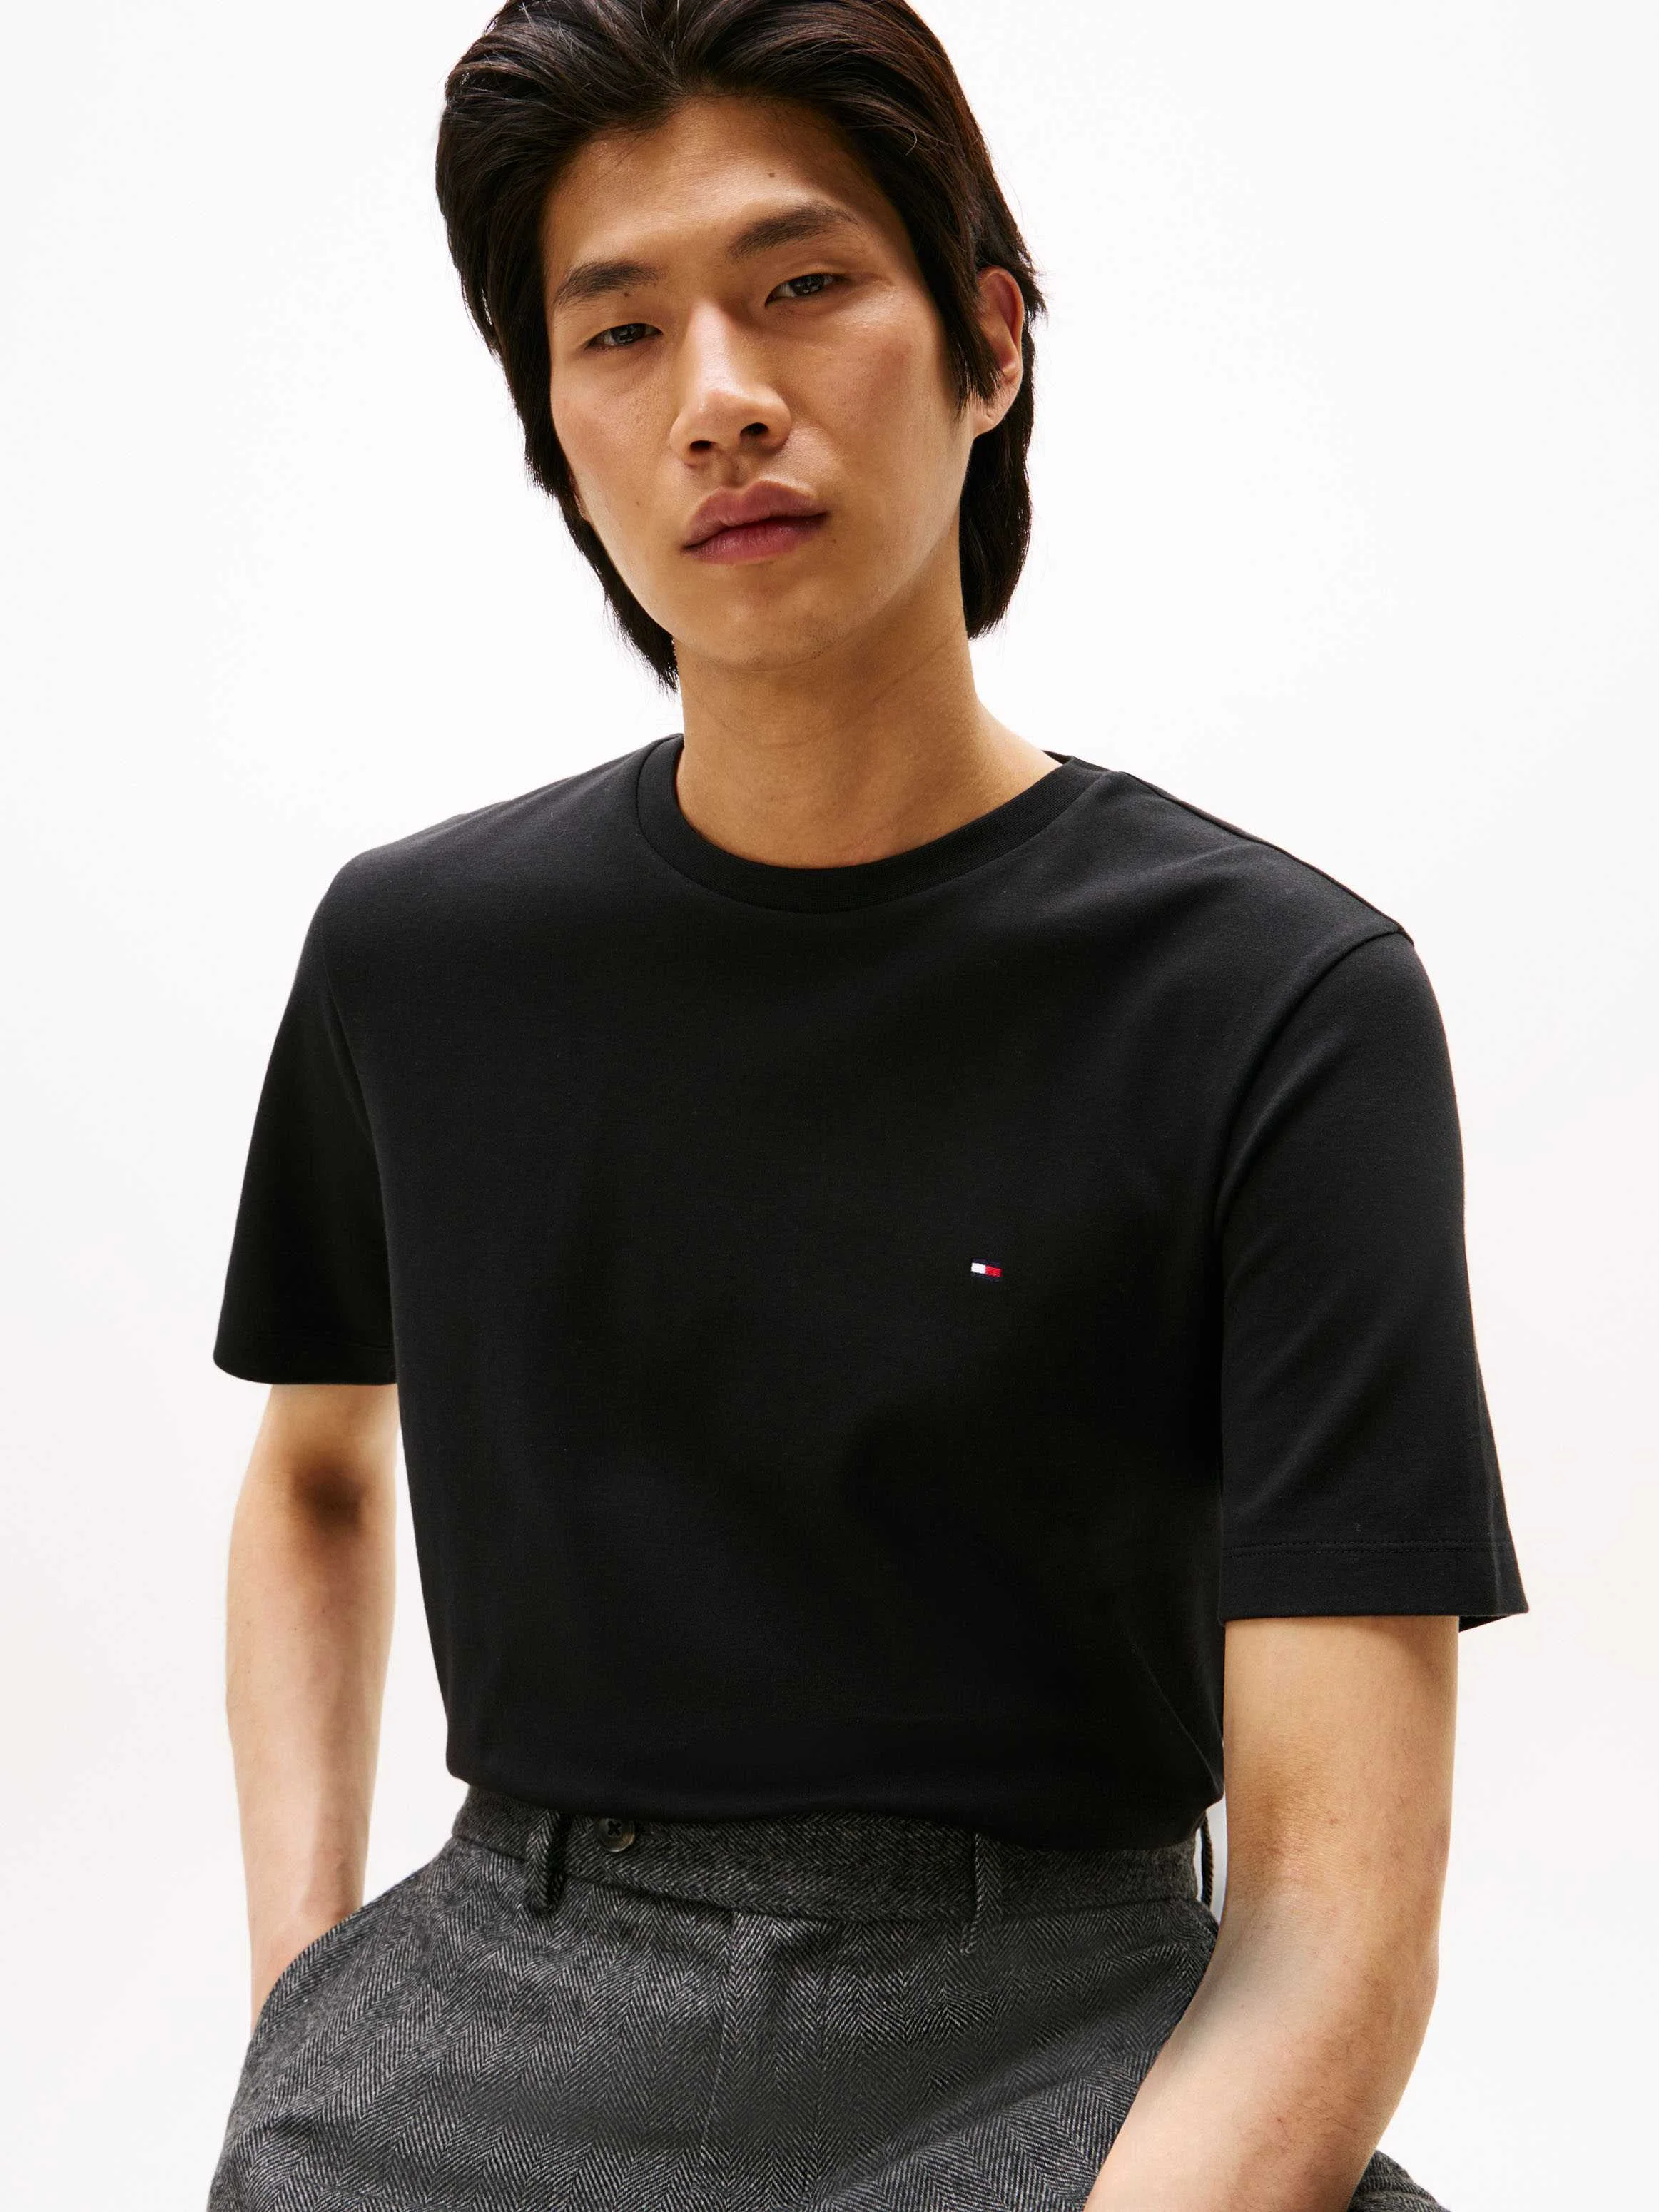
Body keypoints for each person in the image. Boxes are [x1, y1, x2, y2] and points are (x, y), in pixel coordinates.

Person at [205, 4, 1526, 2207]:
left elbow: (1329, 1920)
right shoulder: (416, 957)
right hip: (492, 2019)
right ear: (555, 429)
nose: (719, 394)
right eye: (619, 330)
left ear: (988, 341)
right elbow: (316, 1480)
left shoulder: (1276, 1002)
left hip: (1075, 2036)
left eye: (802, 283)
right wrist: (305, 2001)